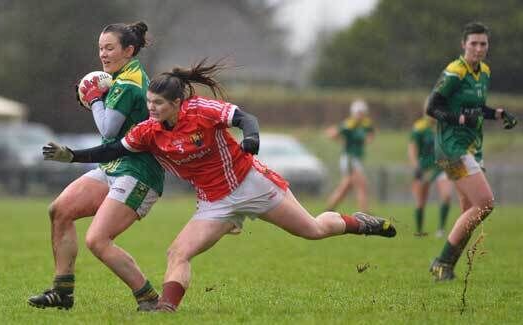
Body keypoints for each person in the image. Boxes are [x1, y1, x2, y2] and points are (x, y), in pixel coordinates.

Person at [42, 59, 397, 312]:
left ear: (178, 103)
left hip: (253, 184)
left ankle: (359, 222)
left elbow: (245, 118)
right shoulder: (148, 130)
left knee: (314, 230)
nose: (151, 109)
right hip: (214, 203)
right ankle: (165, 308)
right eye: (149, 102)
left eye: (158, 104)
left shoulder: (201, 110)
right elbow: (112, 148)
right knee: (177, 253)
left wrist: (252, 139)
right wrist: (71, 156)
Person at [28, 22, 165, 311]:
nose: (103, 54)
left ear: (129, 50)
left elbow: (107, 129)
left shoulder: (127, 83)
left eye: (110, 48)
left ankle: (149, 299)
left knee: (98, 240)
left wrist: (95, 99)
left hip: (138, 173)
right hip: (116, 165)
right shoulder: (122, 76)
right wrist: (100, 98)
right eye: (100, 48)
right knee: (60, 210)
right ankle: (62, 292)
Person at [426, 22, 517, 281]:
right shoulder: (455, 71)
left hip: (472, 148)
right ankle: (441, 262)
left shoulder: (485, 71)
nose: (478, 48)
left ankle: (446, 269)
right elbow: (432, 107)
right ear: (463, 45)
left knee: (469, 210)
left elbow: (476, 107)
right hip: (451, 149)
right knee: (485, 204)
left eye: (483, 43)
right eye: (473, 43)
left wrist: (498, 114)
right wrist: (459, 119)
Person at [408, 102, 453, 237]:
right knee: (421, 201)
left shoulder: (444, 125)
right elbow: (412, 150)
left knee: (446, 195)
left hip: (441, 167)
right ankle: (420, 231)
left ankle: (441, 229)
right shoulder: (419, 127)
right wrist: (416, 167)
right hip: (425, 168)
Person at [324, 99, 374, 212]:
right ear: (354, 112)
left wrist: (367, 140)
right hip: (350, 159)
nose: (361, 115)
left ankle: (329, 209)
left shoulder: (365, 124)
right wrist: (341, 140)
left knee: (345, 188)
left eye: (362, 112)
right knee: (362, 185)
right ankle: (365, 213)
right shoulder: (349, 124)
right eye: (358, 112)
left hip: (357, 158)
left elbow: (370, 136)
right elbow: (331, 134)